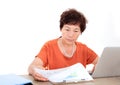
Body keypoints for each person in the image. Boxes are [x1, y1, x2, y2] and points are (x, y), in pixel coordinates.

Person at [28, 8, 99, 81]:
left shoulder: (83, 48)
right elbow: (32, 66)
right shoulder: (49, 46)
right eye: (67, 29)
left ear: (80, 32)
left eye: (76, 31)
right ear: (61, 29)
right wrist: (35, 71)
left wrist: (98, 66)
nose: (71, 35)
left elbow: (101, 62)